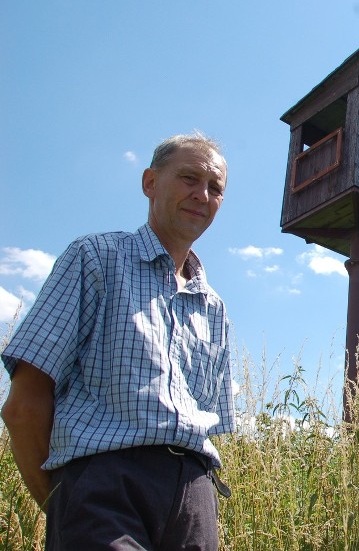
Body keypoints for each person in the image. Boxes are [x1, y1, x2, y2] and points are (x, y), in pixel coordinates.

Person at [1, 132, 235, 550]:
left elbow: (209, 423)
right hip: (105, 486)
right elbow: (24, 405)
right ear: (150, 183)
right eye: (188, 178)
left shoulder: (213, 307)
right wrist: (61, 503)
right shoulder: (95, 258)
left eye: (214, 187)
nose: (202, 194)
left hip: (196, 497)